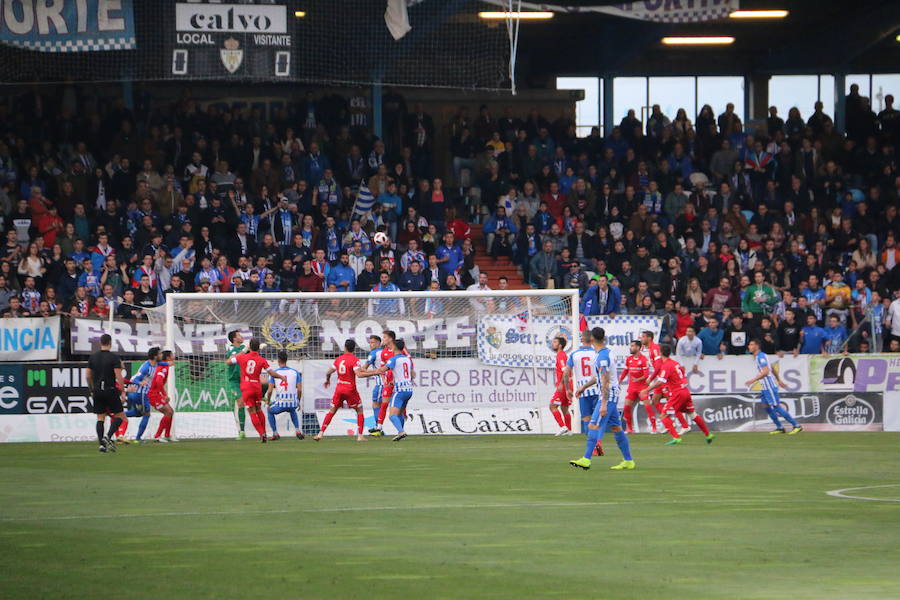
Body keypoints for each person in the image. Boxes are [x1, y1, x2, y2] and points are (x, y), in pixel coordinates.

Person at [569, 327, 635, 471]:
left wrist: (604, 403)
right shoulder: (605, 353)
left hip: (608, 395)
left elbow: (605, 380)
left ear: (592, 339)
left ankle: (586, 459)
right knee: (617, 428)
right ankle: (628, 461)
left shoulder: (602, 358)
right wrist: (584, 387)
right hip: (610, 393)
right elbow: (599, 377)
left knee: (593, 425)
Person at [641, 345, 715, 445]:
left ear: (660, 353)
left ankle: (676, 437)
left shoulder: (666, 365)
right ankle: (708, 434)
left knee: (663, 416)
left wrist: (647, 390)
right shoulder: (675, 363)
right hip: (685, 391)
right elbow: (682, 374)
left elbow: (660, 381)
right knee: (692, 415)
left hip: (677, 393)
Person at [227, 338, 286, 443]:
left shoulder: (243, 357)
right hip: (256, 386)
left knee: (251, 411)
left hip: (246, 386)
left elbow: (228, 362)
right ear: (259, 348)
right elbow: (271, 373)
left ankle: (261, 434)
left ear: (249, 346)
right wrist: (281, 377)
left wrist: (243, 351)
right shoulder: (261, 359)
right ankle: (264, 433)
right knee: (259, 409)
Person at [361, 338, 415, 441]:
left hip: (400, 391)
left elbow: (381, 370)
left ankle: (401, 432)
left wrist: (364, 373)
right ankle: (401, 433)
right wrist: (393, 382)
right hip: (409, 390)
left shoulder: (393, 359)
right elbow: (403, 374)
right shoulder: (407, 359)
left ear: (394, 347)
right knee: (399, 413)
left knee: (392, 415)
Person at [746, 339, 802, 434]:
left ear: (757, 346)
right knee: (766, 407)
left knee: (776, 406)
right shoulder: (758, 357)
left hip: (769, 386)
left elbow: (766, 371)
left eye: (751, 344)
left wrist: (753, 380)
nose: (749, 346)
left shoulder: (761, 356)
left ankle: (796, 425)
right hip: (764, 387)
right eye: (749, 344)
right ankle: (779, 427)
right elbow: (771, 368)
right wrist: (779, 380)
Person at [317, 339, 366, 442]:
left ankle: (320, 433)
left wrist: (327, 380)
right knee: (359, 411)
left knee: (332, 411)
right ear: (354, 349)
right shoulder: (355, 360)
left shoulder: (339, 359)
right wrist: (374, 372)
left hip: (339, 388)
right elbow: (358, 373)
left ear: (345, 348)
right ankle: (360, 436)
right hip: (350, 389)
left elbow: (328, 372)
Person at [86, 333, 127, 453]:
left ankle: (101, 445)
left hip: (98, 390)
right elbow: (118, 376)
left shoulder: (93, 357)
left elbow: (88, 376)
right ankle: (108, 437)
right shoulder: (114, 358)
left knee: (100, 418)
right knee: (120, 416)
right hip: (110, 390)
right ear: (110, 343)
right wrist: (123, 391)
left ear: (100, 343)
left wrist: (91, 390)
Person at [564, 329, 602, 453]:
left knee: (586, 419)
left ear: (581, 340)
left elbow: (566, 373)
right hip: (597, 390)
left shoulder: (574, 354)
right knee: (596, 420)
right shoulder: (597, 353)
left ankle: (593, 448)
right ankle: (598, 445)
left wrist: (567, 389)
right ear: (592, 340)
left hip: (583, 392)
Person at [124, 347, 161, 444]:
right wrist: (140, 383)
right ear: (155, 356)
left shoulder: (156, 364)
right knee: (146, 414)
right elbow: (134, 379)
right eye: (159, 354)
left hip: (136, 394)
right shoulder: (146, 367)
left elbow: (164, 363)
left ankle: (118, 415)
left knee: (137, 413)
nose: (161, 355)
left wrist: (170, 363)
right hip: (140, 393)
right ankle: (138, 438)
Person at [265, 350, 304, 440]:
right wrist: (298, 401)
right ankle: (297, 430)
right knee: (292, 410)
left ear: (278, 360)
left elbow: (270, 391)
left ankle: (275, 433)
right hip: (292, 403)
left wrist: (268, 401)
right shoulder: (295, 372)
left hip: (281, 404)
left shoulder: (274, 373)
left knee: (269, 410)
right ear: (287, 360)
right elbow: (300, 389)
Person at [618, 340, 650, 435]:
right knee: (627, 407)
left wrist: (637, 379)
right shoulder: (629, 359)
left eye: (632, 346)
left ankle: (654, 427)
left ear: (638, 347)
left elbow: (646, 375)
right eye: (630, 346)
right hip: (632, 388)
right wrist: (619, 381)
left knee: (647, 406)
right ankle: (629, 428)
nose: (630, 348)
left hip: (642, 387)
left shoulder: (644, 359)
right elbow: (625, 371)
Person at [147, 349, 177, 443]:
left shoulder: (164, 365)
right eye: (172, 354)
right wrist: (164, 395)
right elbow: (159, 381)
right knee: (168, 412)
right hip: (154, 395)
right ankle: (157, 436)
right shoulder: (164, 367)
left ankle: (167, 435)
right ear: (168, 357)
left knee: (170, 412)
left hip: (156, 394)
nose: (174, 356)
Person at [225, 330, 249, 439]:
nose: (242, 336)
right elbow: (231, 360)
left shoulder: (244, 347)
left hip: (245, 379)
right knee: (240, 402)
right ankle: (242, 431)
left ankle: (262, 396)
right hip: (234, 381)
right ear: (234, 339)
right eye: (239, 335)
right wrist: (245, 350)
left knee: (249, 403)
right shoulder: (230, 348)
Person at [547, 336, 572, 436]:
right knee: (565, 408)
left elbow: (565, 370)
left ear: (560, 345)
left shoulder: (561, 355)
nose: (553, 343)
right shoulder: (562, 355)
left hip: (564, 384)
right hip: (568, 384)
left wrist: (561, 384)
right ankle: (569, 431)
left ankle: (563, 427)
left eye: (555, 342)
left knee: (552, 406)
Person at [364, 335, 386, 436]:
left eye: (372, 342)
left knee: (376, 404)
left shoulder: (373, 353)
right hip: (388, 382)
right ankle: (379, 428)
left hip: (381, 383)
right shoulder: (386, 351)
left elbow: (364, 368)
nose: (370, 345)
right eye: (370, 342)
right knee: (383, 405)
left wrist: (373, 371)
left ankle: (378, 428)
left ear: (378, 343)